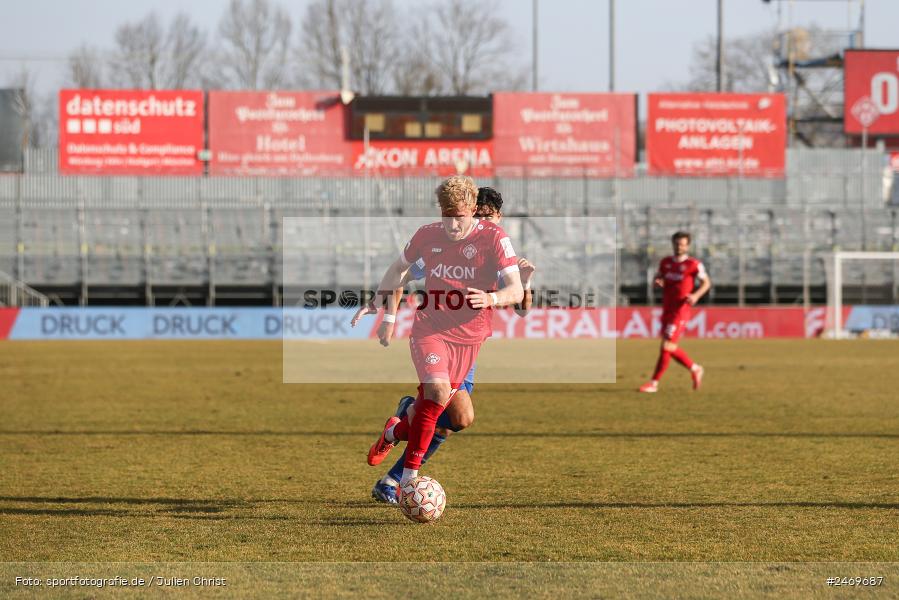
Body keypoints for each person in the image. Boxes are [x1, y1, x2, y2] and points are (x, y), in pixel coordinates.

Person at [352, 187, 536, 503]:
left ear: (498, 218)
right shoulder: (450, 243)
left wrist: (526, 283)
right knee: (451, 413)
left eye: (487, 217)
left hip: (470, 344)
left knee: (453, 423)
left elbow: (522, 309)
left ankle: (397, 432)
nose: (481, 222)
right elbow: (403, 275)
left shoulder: (499, 247)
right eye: (476, 216)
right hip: (437, 336)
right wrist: (389, 318)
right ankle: (396, 480)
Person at [639, 231, 710, 393]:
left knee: (666, 346)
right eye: (677, 243)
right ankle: (695, 368)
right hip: (667, 309)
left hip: (681, 310)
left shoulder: (694, 264)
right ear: (673, 244)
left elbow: (706, 283)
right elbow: (658, 279)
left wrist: (696, 295)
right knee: (668, 347)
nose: (679, 247)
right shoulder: (665, 263)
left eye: (683, 244)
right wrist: (657, 282)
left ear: (688, 245)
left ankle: (654, 383)